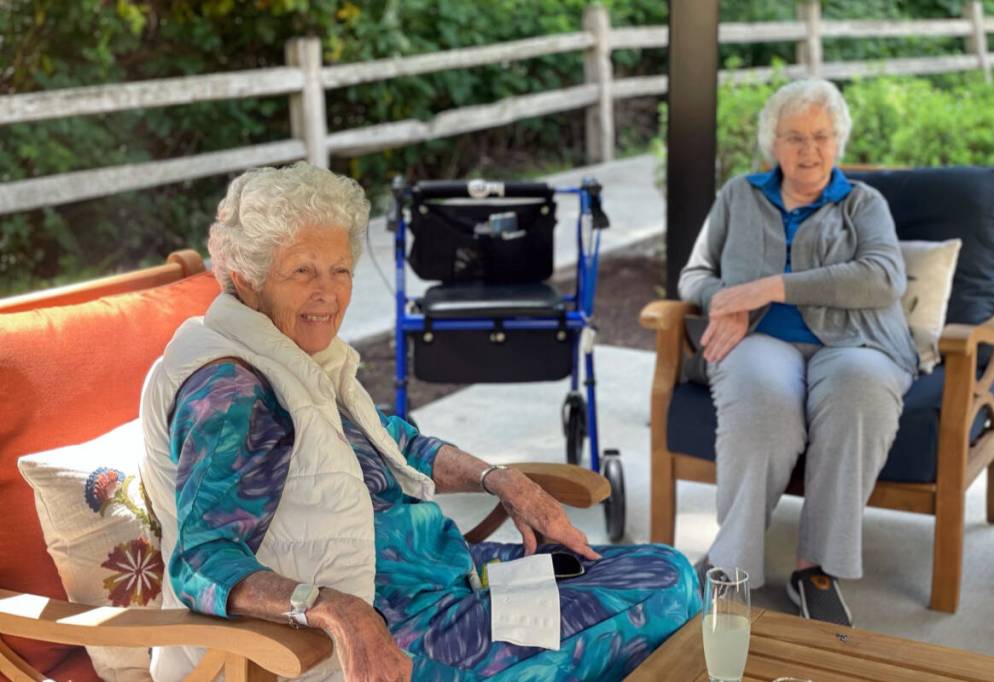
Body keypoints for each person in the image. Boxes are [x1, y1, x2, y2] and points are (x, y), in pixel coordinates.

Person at [140, 162, 700, 681]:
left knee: (659, 566)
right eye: (301, 271)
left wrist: (499, 480)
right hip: (407, 632)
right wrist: (340, 612)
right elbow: (201, 560)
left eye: (340, 269)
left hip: (447, 574)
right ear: (246, 277)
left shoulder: (293, 354)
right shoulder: (231, 391)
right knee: (668, 592)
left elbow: (396, 441)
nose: (328, 292)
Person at [677, 78, 917, 627]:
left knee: (861, 394)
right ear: (772, 143)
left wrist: (769, 287)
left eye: (821, 136)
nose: (809, 151)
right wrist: (727, 301)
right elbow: (694, 274)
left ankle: (816, 569)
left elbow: (883, 277)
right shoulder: (739, 195)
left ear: (838, 142)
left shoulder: (863, 203)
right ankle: (729, 565)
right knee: (762, 407)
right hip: (760, 341)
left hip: (859, 340)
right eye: (794, 137)